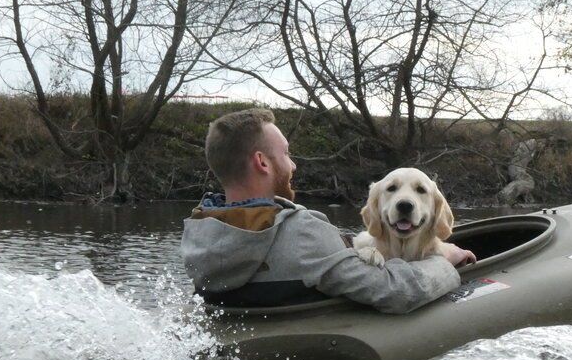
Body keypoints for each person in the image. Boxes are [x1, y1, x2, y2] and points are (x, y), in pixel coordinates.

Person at [181, 108, 474, 313]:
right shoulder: (302, 233)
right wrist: (445, 258)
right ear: (262, 162)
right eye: (285, 153)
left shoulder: (200, 235)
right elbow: (396, 292)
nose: (293, 164)